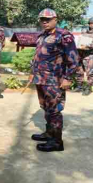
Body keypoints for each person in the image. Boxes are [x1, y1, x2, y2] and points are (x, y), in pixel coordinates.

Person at [30, 8, 79, 152]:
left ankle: (57, 142)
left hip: (54, 80)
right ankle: (49, 133)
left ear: (55, 19)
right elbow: (38, 57)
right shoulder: (42, 36)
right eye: (42, 20)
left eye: (48, 19)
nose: (45, 22)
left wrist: (68, 78)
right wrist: (32, 73)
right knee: (46, 108)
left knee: (54, 110)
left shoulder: (63, 36)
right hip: (41, 79)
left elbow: (74, 59)